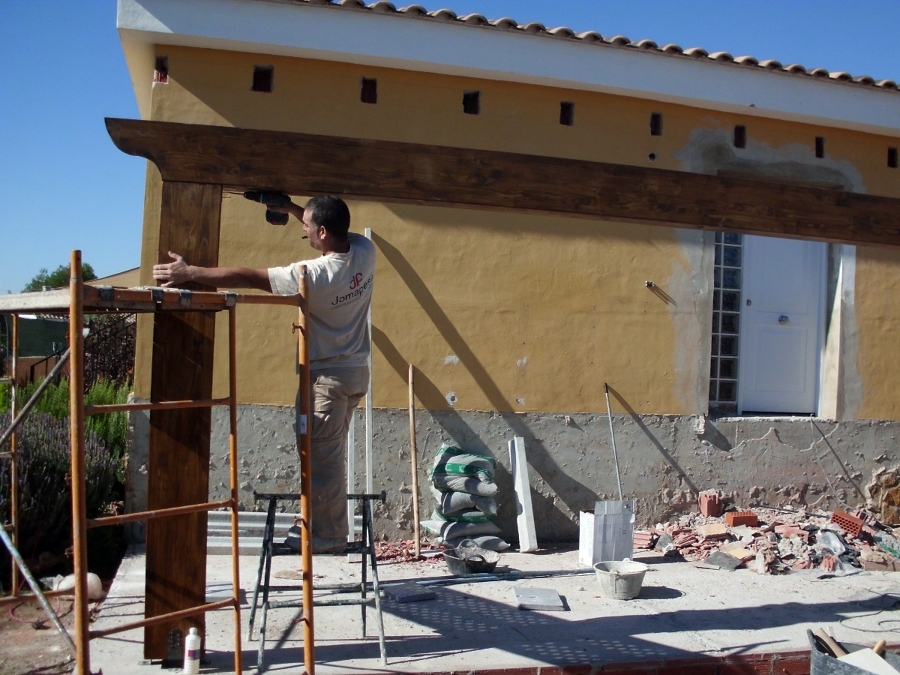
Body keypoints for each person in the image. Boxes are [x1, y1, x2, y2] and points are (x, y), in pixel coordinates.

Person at [152, 195, 375, 553]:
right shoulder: (365, 251)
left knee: (322, 460)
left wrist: (188, 273)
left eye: (307, 227)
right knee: (323, 453)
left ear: (322, 231)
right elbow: (331, 228)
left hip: (326, 381)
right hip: (354, 373)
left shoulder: (312, 275)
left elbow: (249, 276)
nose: (303, 231)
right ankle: (316, 522)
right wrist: (291, 208)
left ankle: (327, 536)